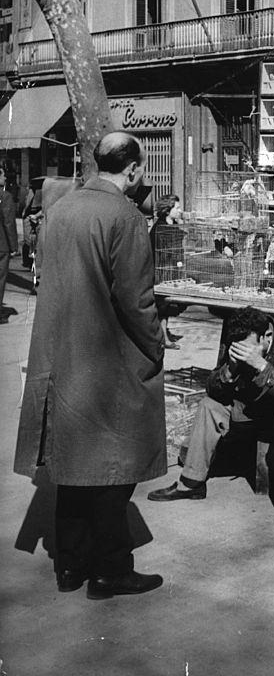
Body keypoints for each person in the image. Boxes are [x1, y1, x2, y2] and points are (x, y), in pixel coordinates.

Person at [14, 132, 167, 599]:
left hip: (61, 355)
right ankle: (110, 570)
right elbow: (136, 302)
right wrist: (158, 343)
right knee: (113, 471)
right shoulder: (126, 217)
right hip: (107, 359)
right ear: (135, 169)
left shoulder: (60, 211)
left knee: (71, 467)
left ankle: (70, 567)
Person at [147, 305, 274, 529]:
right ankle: (191, 482)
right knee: (209, 406)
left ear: (267, 337)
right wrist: (230, 370)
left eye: (248, 348)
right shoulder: (236, 338)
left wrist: (261, 365)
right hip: (254, 401)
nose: (242, 352)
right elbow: (213, 389)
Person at [149, 194, 186, 351]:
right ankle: (162, 337)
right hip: (161, 271)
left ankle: (164, 335)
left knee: (167, 306)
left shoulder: (170, 226)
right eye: (176, 208)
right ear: (167, 210)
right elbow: (165, 252)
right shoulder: (161, 228)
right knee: (162, 306)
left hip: (169, 270)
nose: (180, 211)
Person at [0, 163, 19, 322]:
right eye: (2, 174)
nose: (5, 177)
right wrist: (14, 247)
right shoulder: (5, 197)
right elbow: (8, 223)